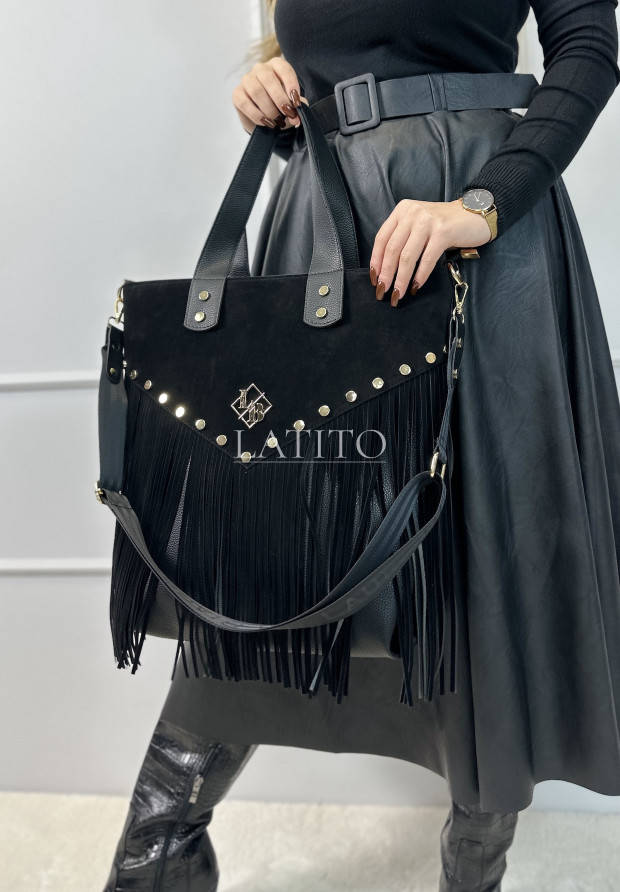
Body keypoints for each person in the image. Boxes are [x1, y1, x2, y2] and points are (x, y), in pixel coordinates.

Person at [103, 1, 620, 889]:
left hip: (472, 219)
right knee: (272, 564)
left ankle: (474, 872)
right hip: (325, 231)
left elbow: (590, 42)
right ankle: (156, 858)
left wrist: (486, 202)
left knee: (477, 566)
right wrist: (275, 90)